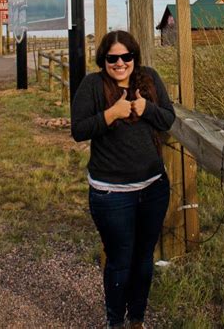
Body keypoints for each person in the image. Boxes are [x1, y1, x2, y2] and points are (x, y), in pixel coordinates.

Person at [71, 30, 175, 329]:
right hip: (111, 194)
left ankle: (137, 320)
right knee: (119, 259)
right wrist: (111, 114)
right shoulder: (93, 85)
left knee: (144, 257)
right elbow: (79, 129)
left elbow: (168, 118)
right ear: (103, 59)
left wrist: (147, 109)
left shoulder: (150, 79)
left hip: (154, 187)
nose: (120, 63)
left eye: (126, 57)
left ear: (134, 57)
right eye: (112, 58)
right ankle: (115, 322)